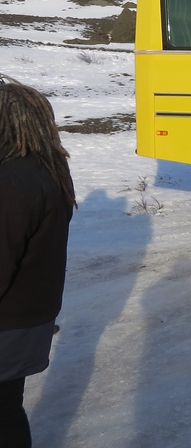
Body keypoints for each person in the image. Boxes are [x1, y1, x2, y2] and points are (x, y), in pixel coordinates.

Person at [0, 83, 76, 447]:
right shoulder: (49, 170)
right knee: (7, 410)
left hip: (8, 324)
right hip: (28, 320)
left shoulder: (12, 182)